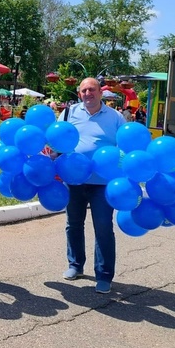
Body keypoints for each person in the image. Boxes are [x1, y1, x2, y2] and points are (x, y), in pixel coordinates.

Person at [58, 77, 125, 294]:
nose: (88, 93)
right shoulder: (69, 114)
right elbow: (58, 141)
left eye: (92, 89)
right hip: (74, 180)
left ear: (100, 93)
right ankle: (75, 265)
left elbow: (125, 147)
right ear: (79, 94)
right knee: (73, 224)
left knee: (103, 228)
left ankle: (104, 275)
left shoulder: (115, 117)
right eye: (84, 90)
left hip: (103, 184)